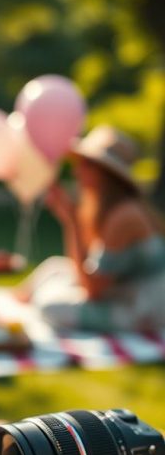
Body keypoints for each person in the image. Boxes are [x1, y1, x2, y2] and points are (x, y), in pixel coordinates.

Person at [20, 125, 165, 332]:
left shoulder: (124, 216)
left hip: (142, 310)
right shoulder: (108, 209)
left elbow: (92, 290)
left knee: (49, 306)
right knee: (53, 268)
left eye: (86, 163)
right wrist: (71, 219)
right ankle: (1, 301)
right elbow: (86, 266)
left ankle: (17, 305)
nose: (77, 170)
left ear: (106, 173)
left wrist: (71, 222)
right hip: (123, 291)